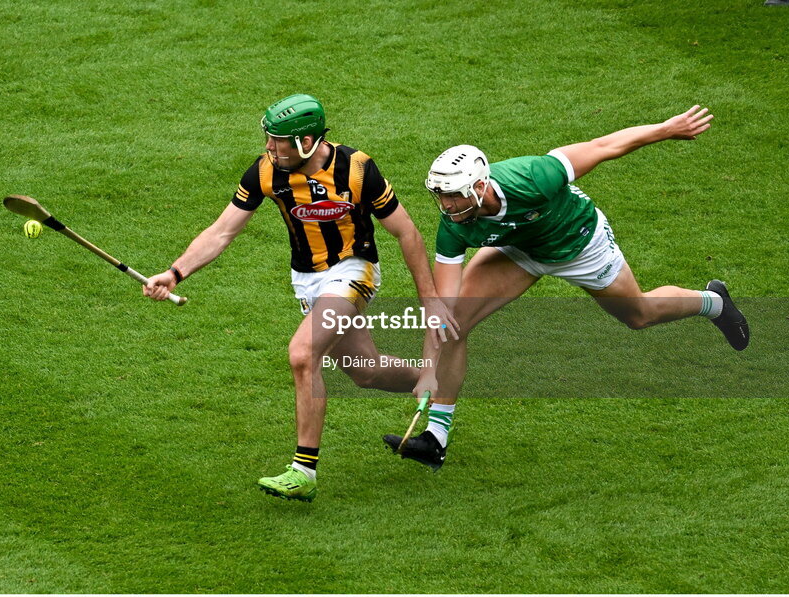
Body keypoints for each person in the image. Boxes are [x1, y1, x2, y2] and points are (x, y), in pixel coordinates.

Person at [383, 105, 749, 470]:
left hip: (578, 243)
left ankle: (714, 302)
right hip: (519, 249)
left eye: (454, 195)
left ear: (480, 186)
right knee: (456, 323)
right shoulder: (454, 224)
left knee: (639, 314)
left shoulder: (532, 176)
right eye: (441, 195)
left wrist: (667, 128)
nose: (446, 206)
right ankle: (435, 438)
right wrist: (428, 368)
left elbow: (603, 146)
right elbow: (441, 312)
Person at [143, 94, 456, 501]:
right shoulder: (265, 171)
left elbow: (407, 233)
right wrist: (175, 272)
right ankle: (440, 382)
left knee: (302, 354)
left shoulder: (356, 169)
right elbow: (223, 231)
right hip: (306, 279)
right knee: (366, 371)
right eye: (268, 139)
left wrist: (429, 299)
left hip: (352, 270)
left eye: (279, 141)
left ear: (307, 141)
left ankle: (303, 471)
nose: (269, 148)